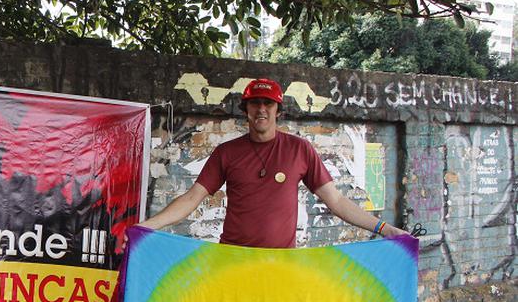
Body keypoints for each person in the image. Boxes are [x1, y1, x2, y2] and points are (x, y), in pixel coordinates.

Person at [139, 78, 408, 247]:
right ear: (246, 110)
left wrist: (384, 228)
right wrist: (146, 227)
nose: (262, 109)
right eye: (254, 103)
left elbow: (336, 201)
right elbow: (191, 198)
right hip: (233, 259)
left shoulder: (299, 149)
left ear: (278, 109)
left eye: (268, 103)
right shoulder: (226, 152)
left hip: (281, 264)